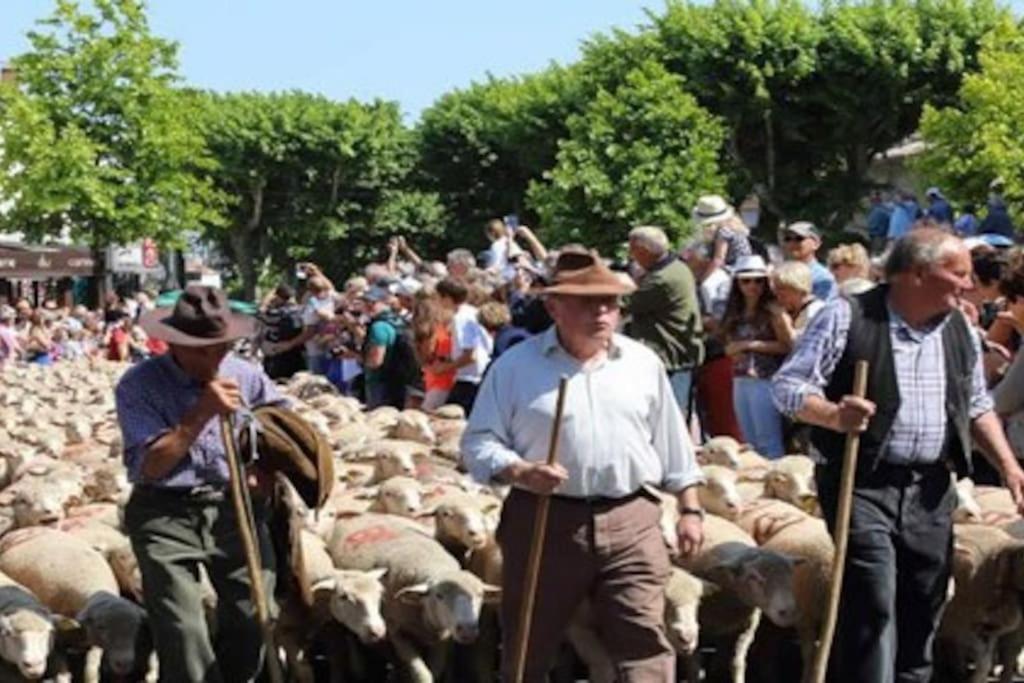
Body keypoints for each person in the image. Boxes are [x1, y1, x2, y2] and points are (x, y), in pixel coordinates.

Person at [771, 228, 1024, 683]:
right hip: (864, 481)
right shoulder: (848, 316)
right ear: (919, 274)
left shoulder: (960, 329)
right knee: (873, 599)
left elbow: (977, 405)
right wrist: (832, 414)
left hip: (930, 488)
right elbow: (788, 388)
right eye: (958, 274)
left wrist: (1008, 465)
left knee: (924, 600)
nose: (969, 285)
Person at [461, 249, 704, 682]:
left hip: (631, 517)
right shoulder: (516, 367)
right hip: (544, 519)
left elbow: (674, 444)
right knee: (528, 644)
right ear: (554, 307)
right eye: (588, 302)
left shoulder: (643, 364)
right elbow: (478, 442)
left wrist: (689, 508)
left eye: (610, 303)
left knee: (643, 639)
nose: (603, 312)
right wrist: (520, 471)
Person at [115, 285, 282, 683]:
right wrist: (200, 413)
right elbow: (149, 467)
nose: (214, 358)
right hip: (165, 512)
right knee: (183, 628)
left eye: (221, 347)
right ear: (173, 343)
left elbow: (282, 427)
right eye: (202, 350)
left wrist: (269, 468)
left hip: (233, 503)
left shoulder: (246, 375)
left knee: (256, 614)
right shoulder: (138, 385)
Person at [624, 225, 704, 416]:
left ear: (644, 250)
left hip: (671, 360)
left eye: (632, 249)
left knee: (669, 419)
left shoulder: (662, 279)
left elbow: (627, 304)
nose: (630, 255)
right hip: (674, 357)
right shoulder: (676, 268)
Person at [721, 256, 793, 457]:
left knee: (768, 439)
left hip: (766, 378)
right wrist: (732, 349)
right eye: (746, 280)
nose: (752, 285)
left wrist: (750, 345)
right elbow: (726, 343)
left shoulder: (773, 311)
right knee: (749, 440)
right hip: (740, 377)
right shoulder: (734, 311)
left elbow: (787, 346)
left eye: (758, 280)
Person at [434, 278, 492, 413]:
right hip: (478, 375)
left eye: (439, 297)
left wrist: (445, 368)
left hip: (468, 379)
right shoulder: (472, 311)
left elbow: (471, 355)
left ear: (447, 298)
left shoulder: (460, 318)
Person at [259, 284, 306, 380]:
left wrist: (267, 300)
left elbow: (261, 312)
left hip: (277, 355)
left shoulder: (275, 314)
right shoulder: (300, 311)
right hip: (297, 355)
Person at [781, 221, 836, 300]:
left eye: (799, 238)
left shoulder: (823, 278)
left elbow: (822, 309)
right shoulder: (780, 273)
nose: (792, 243)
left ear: (816, 244)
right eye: (788, 239)